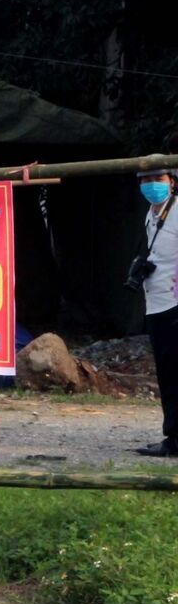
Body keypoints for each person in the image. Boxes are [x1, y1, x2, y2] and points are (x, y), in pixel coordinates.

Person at [136, 168, 178, 457]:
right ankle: (173, 436)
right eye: (146, 180)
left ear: (171, 182)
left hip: (175, 302)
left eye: (158, 179)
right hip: (157, 302)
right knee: (167, 374)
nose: (152, 185)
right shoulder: (151, 215)